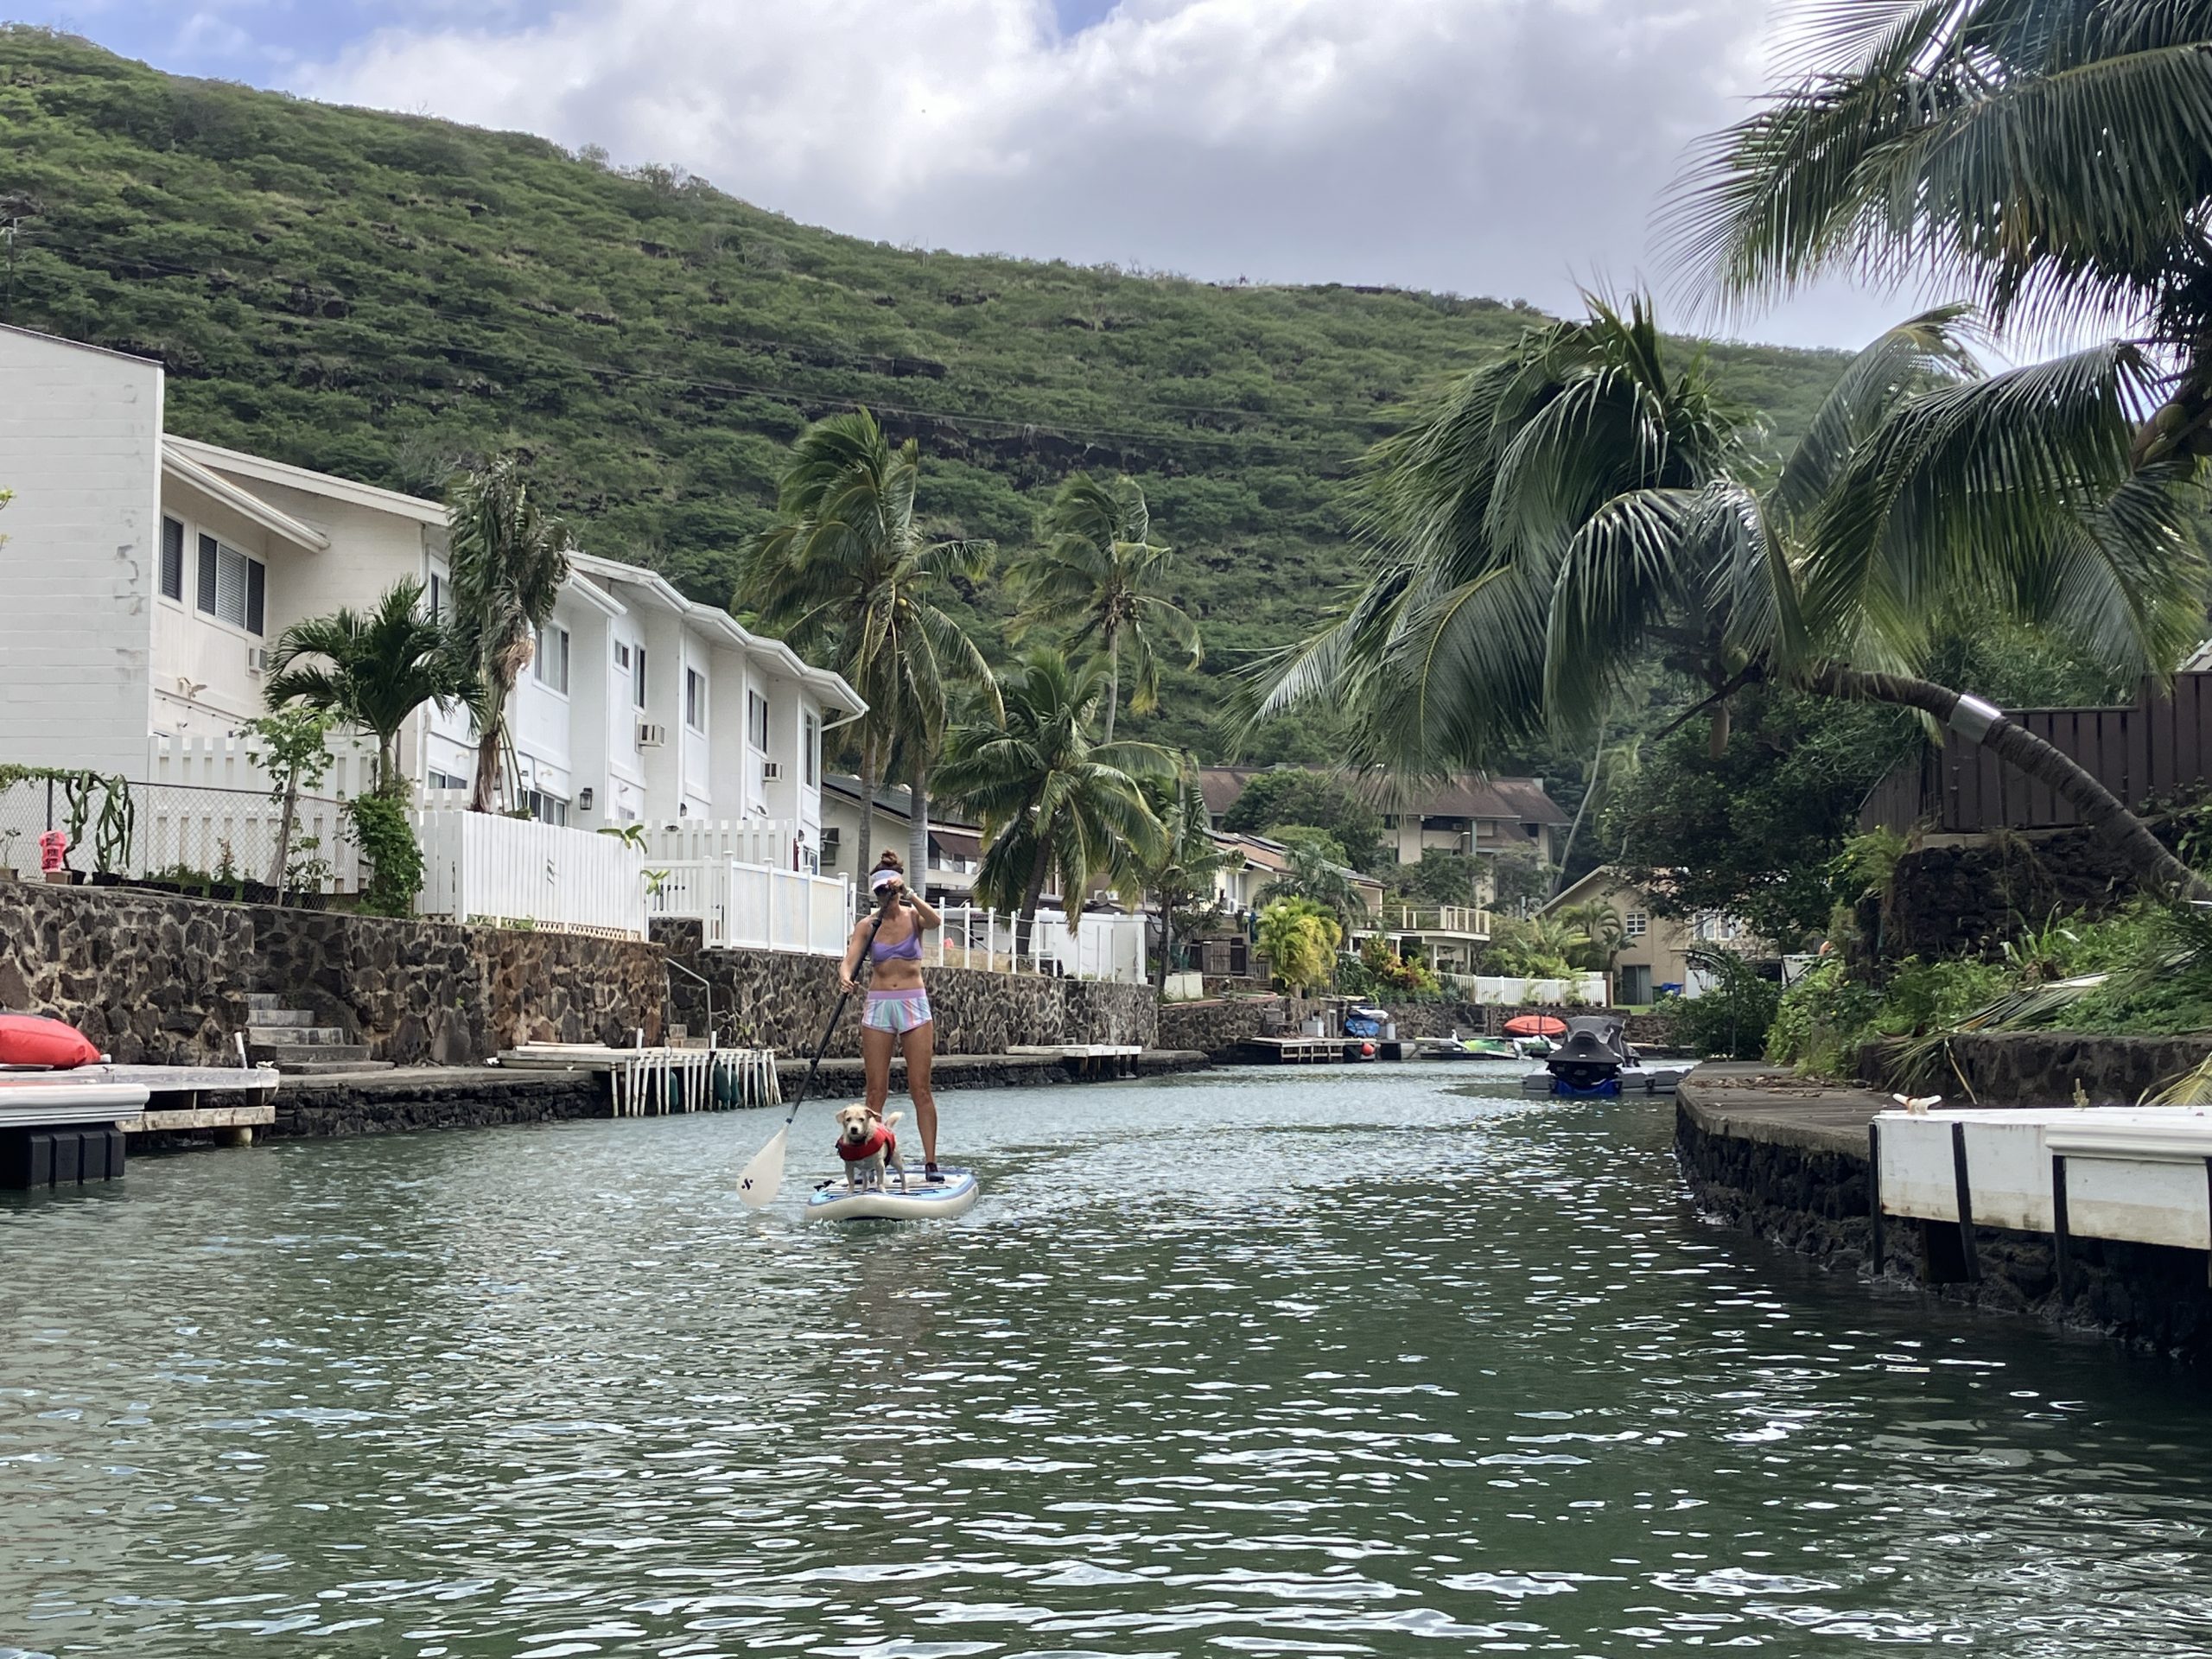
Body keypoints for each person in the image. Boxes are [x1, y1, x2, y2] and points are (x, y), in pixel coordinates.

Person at [838, 850, 945, 1180]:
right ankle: (871, 1160)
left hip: (914, 1003)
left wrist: (910, 892)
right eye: (881, 892)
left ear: (898, 890)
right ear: (876, 894)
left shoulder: (914, 917)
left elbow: (936, 922)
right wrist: (844, 975)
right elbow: (849, 958)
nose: (887, 897)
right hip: (879, 1004)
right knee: (875, 1092)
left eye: (892, 891)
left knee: (920, 1089)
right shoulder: (867, 926)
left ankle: (930, 1162)